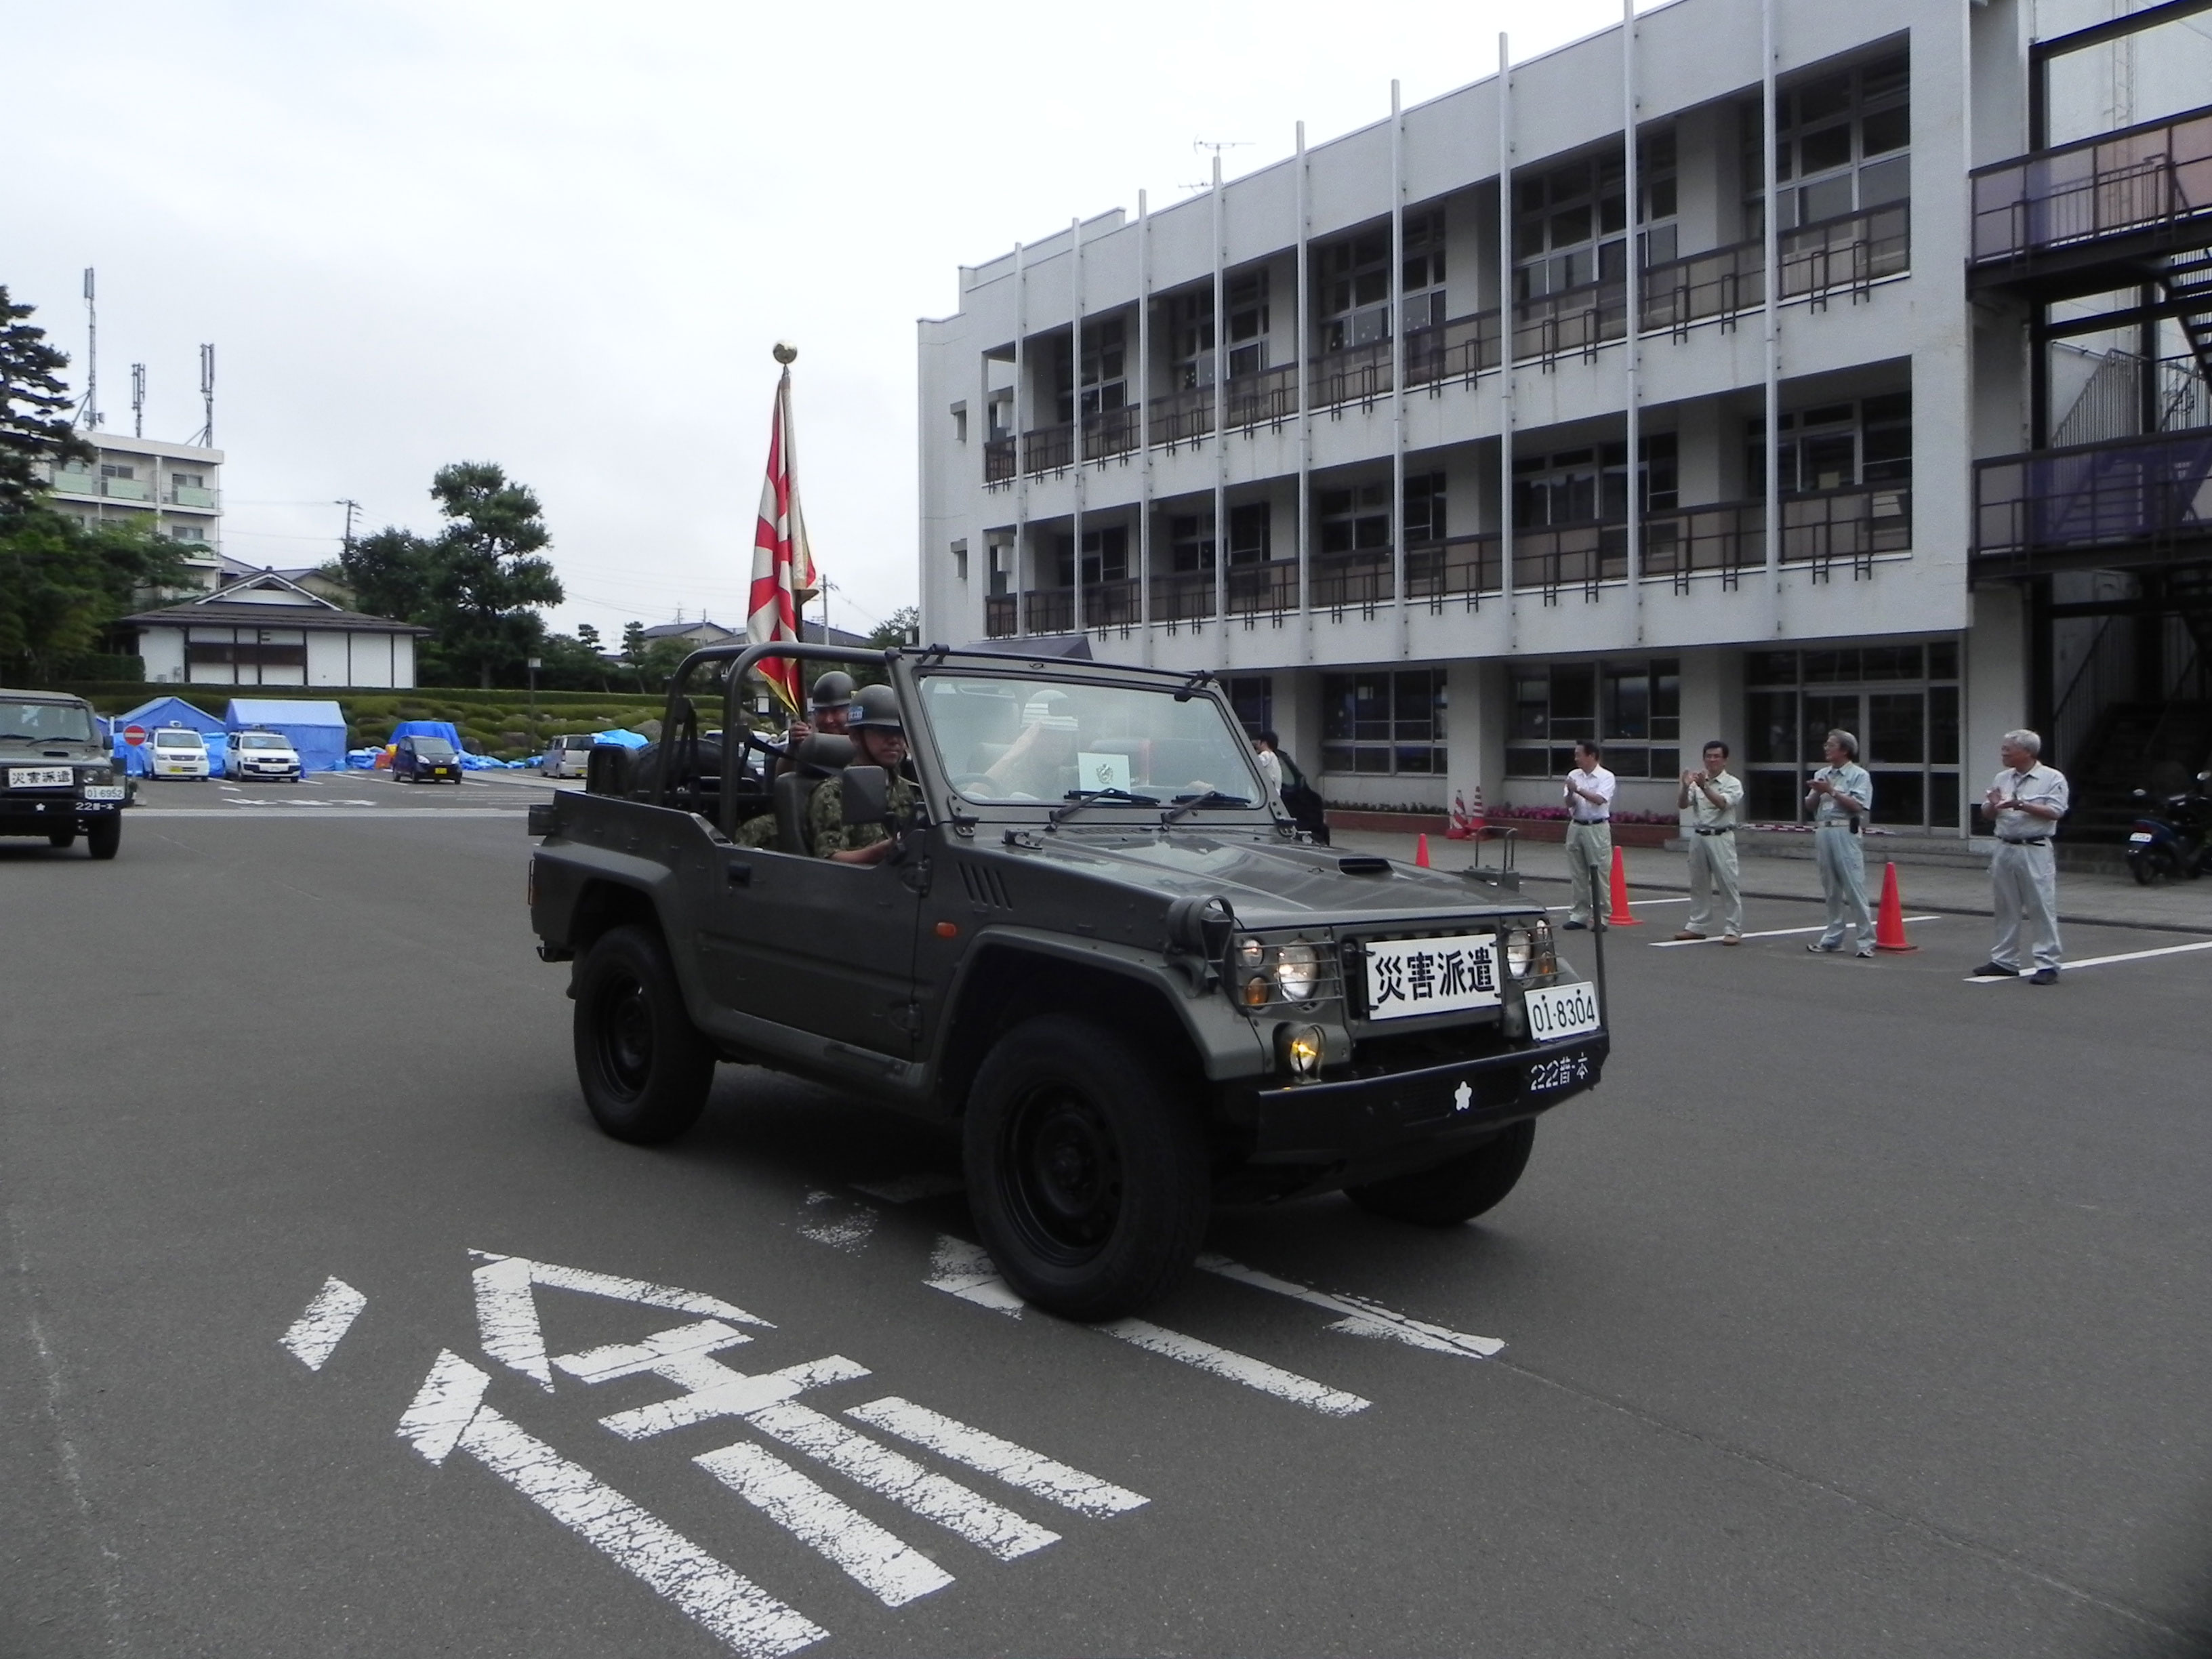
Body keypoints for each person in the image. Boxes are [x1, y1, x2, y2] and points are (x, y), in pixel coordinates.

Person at [1975, 728, 2070, 985]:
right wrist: (1993, 804)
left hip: (2034, 848)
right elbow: (1988, 813)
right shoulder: (2002, 777)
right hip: (2005, 846)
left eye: (2008, 749)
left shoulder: (2052, 778)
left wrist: (2020, 804)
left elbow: (2056, 812)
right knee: (2005, 906)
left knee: (2041, 906)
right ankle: (2004, 960)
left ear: (2027, 752)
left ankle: (2047, 963)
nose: (2003, 753)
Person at [808, 682, 916, 865]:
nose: (894, 741)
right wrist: (882, 851)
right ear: (856, 736)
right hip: (857, 880)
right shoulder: (834, 793)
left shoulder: (910, 790)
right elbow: (830, 859)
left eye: (900, 732)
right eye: (883, 732)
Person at [1805, 729, 1875, 957]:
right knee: (1831, 889)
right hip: (1823, 830)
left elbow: (1858, 806)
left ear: (1844, 750)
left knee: (1854, 887)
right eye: (1826, 744)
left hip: (1845, 830)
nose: (1826, 748)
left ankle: (1866, 942)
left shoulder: (1859, 775)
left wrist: (1832, 791)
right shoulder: (1822, 773)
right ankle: (1833, 939)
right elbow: (1809, 806)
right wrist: (1817, 792)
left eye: (1831, 745)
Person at [1675, 740, 1744, 943]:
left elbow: (1723, 804)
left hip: (1721, 836)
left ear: (1725, 760)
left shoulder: (1732, 783)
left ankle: (1733, 929)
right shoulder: (1696, 782)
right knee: (1698, 884)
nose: (1712, 760)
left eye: (1716, 757)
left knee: (1728, 883)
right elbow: (1683, 804)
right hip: (1699, 836)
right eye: (1708, 756)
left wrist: (1704, 787)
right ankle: (1697, 926)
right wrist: (1685, 787)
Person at [1561, 741, 1615, 930]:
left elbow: (1600, 800)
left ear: (1591, 756)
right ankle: (1579, 915)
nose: (1576, 759)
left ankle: (1601, 917)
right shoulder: (1573, 775)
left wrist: (1578, 790)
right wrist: (1570, 793)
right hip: (1576, 825)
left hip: (1596, 827)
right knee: (1578, 874)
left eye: (1579, 755)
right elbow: (1569, 803)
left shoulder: (1606, 776)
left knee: (1599, 873)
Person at [774, 671, 854, 777]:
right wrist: (793, 748)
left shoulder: (864, 743)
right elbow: (782, 779)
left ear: (852, 711)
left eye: (835, 711)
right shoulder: (810, 748)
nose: (828, 720)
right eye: (822, 712)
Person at [1250, 731, 1283, 803]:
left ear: (1264, 743)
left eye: (1258, 742)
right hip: (1276, 790)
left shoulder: (1266, 754)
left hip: (1268, 791)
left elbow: (1255, 765)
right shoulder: (1274, 756)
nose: (1256, 744)